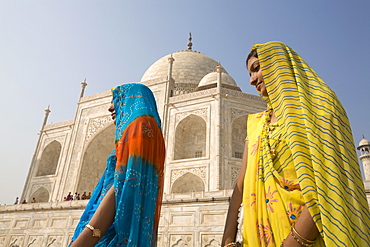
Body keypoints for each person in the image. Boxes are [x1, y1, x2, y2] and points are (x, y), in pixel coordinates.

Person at [222, 41, 370, 246]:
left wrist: (293, 242)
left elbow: (329, 182)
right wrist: (227, 240)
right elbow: (241, 184)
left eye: (256, 69)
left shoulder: (318, 110)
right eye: (249, 74)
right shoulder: (256, 124)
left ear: (278, 65)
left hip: (311, 237)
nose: (251, 80)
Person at [69, 83, 165, 247]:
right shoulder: (149, 133)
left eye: (117, 99)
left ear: (133, 101)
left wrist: (85, 239)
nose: (110, 107)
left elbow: (122, 187)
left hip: (106, 235)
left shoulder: (139, 128)